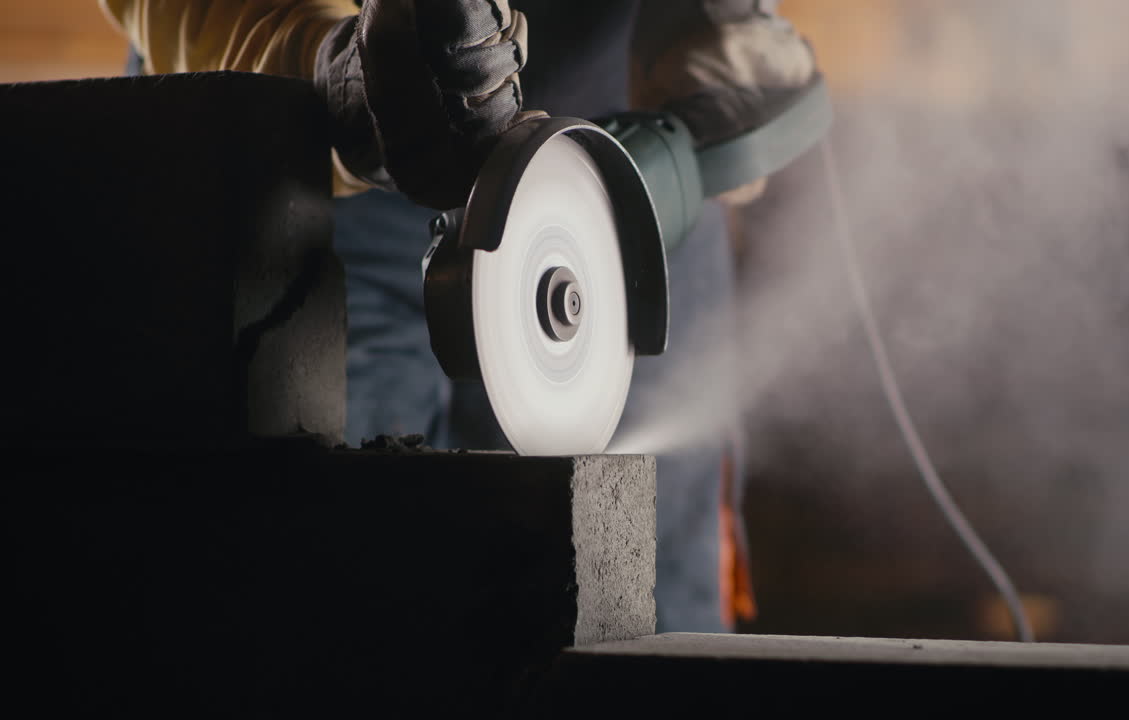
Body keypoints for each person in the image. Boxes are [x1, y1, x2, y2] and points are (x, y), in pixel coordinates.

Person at [99, 0, 816, 632]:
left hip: (606, 171)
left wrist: (722, 26)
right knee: (326, 602)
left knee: (646, 605)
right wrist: (324, 68)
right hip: (310, 140)